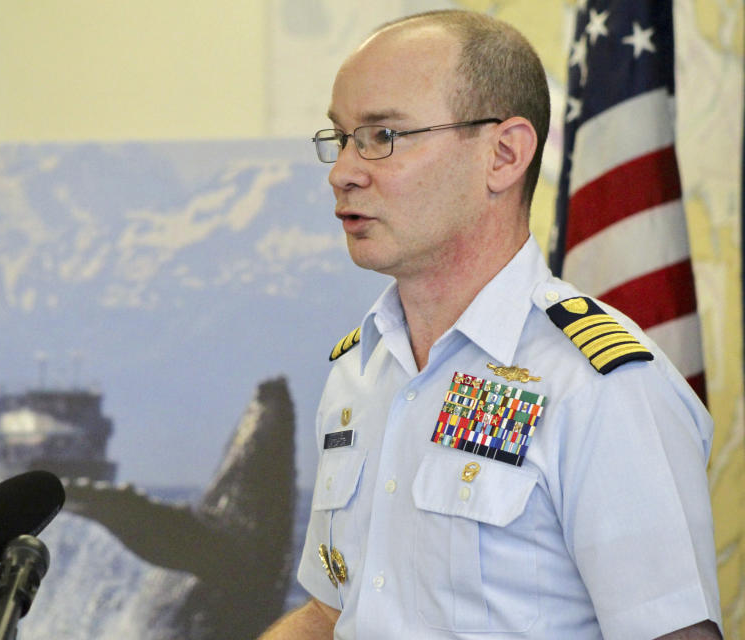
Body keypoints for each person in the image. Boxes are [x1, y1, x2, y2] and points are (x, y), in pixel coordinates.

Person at [260, 9, 722, 640]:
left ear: (503, 156)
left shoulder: (599, 386)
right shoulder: (360, 370)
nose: (343, 170)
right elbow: (332, 615)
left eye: (384, 136)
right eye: (340, 137)